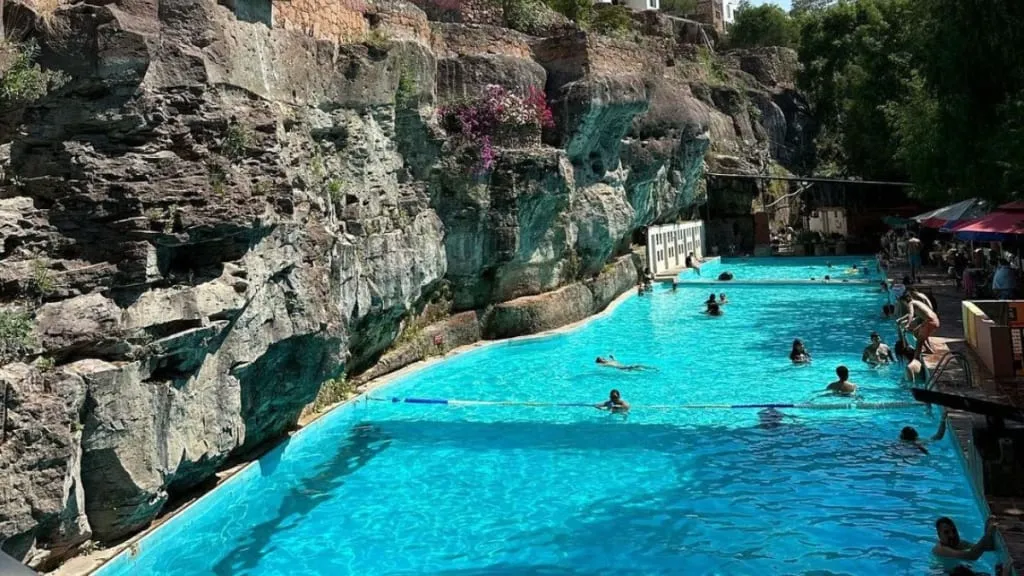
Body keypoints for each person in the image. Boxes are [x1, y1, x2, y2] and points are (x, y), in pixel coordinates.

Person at [932, 516, 997, 562]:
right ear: (939, 535)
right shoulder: (940, 549)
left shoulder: (959, 543)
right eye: (946, 532)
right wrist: (987, 535)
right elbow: (971, 556)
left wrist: (987, 533)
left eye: (954, 531)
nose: (952, 535)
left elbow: (986, 547)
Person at [898, 291, 940, 360]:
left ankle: (916, 358)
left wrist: (908, 324)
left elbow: (911, 314)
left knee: (919, 341)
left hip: (930, 322)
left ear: (906, 300)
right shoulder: (917, 302)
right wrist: (901, 319)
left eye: (903, 303)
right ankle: (928, 350)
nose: (904, 305)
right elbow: (911, 314)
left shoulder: (911, 303)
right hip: (934, 320)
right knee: (916, 333)